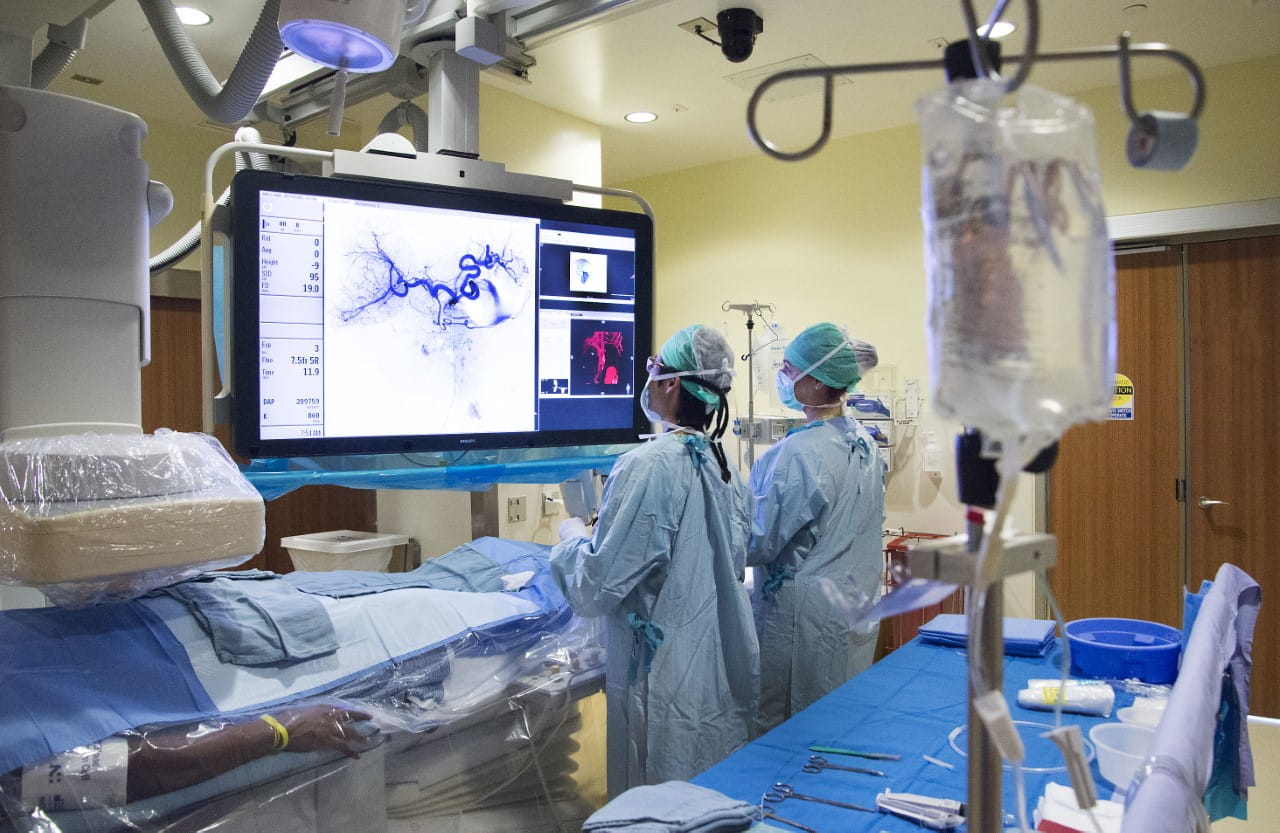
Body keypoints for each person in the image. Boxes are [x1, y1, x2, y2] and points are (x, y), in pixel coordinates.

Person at [551, 324, 759, 797]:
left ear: (671, 383)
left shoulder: (646, 466)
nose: (648, 375)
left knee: (655, 799)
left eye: (654, 367)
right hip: (712, 668)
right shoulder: (726, 469)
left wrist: (571, 537)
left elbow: (597, 585)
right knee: (706, 792)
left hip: (660, 677)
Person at [748, 322, 885, 734]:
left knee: (790, 737)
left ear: (817, 381)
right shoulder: (864, 441)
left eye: (789, 369)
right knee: (839, 728)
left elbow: (757, 541)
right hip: (849, 611)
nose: (782, 377)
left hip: (802, 627)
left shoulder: (797, 454)